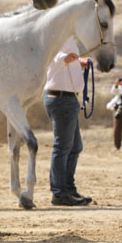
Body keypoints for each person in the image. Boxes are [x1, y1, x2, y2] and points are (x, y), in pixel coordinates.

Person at [43, 36, 93, 206]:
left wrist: (78, 64)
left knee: (74, 146)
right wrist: (68, 58)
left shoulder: (70, 39)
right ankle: (59, 192)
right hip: (61, 98)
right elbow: (52, 57)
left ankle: (68, 189)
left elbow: (65, 66)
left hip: (68, 99)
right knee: (63, 147)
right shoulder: (57, 36)